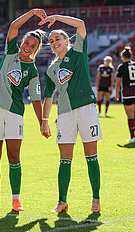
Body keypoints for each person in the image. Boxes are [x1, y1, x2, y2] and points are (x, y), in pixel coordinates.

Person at [0, 9, 46, 212]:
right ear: (22, 42)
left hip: (15, 115)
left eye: (32, 46)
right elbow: (13, 27)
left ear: (37, 49)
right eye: (26, 42)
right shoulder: (10, 52)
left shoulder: (33, 71)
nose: (28, 47)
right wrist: (33, 12)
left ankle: (16, 199)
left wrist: (42, 122)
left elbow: (36, 99)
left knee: (13, 156)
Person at [40, 14, 102, 213]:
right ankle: (62, 201)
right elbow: (48, 96)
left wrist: (56, 17)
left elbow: (82, 24)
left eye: (58, 38)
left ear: (67, 40)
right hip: (65, 114)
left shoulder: (78, 52)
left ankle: (96, 198)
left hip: (87, 110)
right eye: (51, 41)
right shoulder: (51, 69)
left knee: (91, 156)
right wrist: (44, 121)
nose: (54, 42)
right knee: (64, 159)